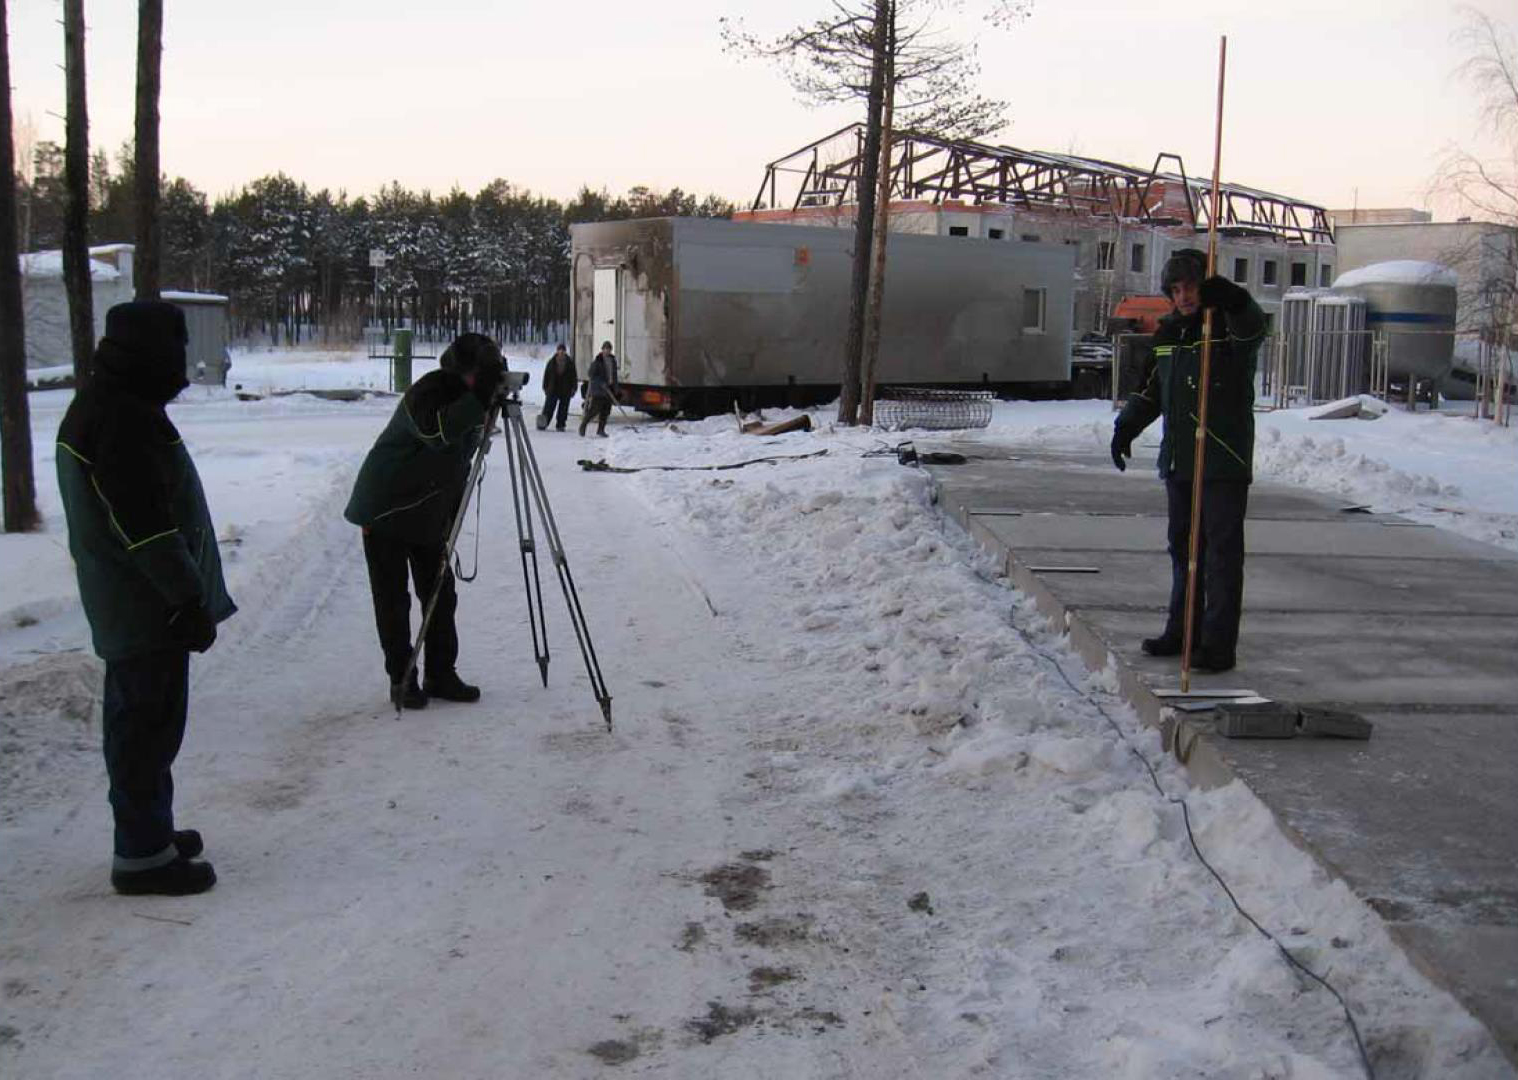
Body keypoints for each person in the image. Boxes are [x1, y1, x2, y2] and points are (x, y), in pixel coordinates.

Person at [56, 301, 236, 896]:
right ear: (153, 350)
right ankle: (141, 857)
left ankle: (149, 832)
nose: (183, 360)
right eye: (177, 347)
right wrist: (186, 599)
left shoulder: (117, 402)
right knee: (144, 726)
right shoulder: (121, 418)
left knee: (148, 722)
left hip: (138, 599)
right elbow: (146, 526)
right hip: (144, 603)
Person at [1110, 248, 1265, 673]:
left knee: (1220, 555)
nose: (1184, 297)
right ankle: (1182, 631)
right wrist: (1126, 427)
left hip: (1221, 459)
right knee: (1184, 550)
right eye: (1175, 290)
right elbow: (1152, 391)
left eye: (1191, 287)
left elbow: (1254, 329)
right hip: (1179, 459)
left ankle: (1218, 645)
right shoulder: (1170, 335)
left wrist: (1235, 301)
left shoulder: (1225, 329)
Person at [344, 333, 504, 709]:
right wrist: (479, 399)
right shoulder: (428, 391)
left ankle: (440, 674)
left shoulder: (469, 400)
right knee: (393, 601)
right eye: (480, 375)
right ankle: (402, 678)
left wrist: (447, 520)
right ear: (464, 371)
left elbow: (458, 465)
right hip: (385, 509)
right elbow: (438, 433)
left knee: (440, 595)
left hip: (426, 513)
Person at [579, 340, 618, 437]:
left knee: (606, 411)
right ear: (602, 350)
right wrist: (601, 383)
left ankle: (601, 430)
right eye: (605, 349)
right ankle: (583, 425)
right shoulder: (597, 361)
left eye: (609, 349)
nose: (607, 351)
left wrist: (615, 387)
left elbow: (614, 375)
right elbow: (591, 374)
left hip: (609, 389)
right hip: (599, 390)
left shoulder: (612, 361)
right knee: (594, 410)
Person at [537, 343, 577, 432]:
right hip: (553, 388)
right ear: (557, 351)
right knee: (548, 408)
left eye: (563, 350)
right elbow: (546, 376)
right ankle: (543, 424)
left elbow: (574, 377)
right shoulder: (551, 362)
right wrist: (545, 387)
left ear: (565, 352)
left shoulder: (570, 363)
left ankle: (561, 425)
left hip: (565, 388)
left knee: (563, 409)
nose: (561, 352)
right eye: (560, 350)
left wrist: (574, 388)